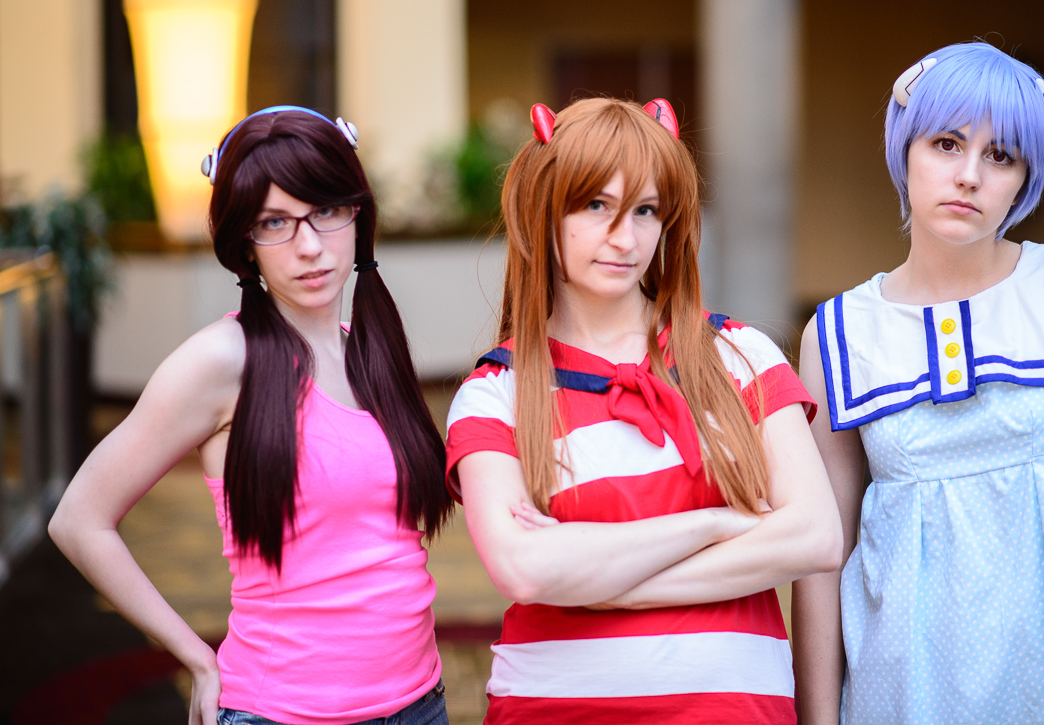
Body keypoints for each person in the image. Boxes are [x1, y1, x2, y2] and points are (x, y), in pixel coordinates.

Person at [791, 42, 1044, 725]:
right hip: (900, 698)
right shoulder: (838, 333)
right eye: (947, 143)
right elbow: (819, 554)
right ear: (905, 149)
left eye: (1001, 155)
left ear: (1025, 177)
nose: (970, 175)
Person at [444, 96, 843, 725]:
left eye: (645, 210)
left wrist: (594, 577)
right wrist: (716, 524)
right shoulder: (497, 391)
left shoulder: (739, 354)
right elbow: (524, 570)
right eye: (596, 205)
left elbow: (817, 537)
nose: (624, 238)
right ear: (545, 212)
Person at [49, 107, 455, 725]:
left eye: (325, 210)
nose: (310, 245)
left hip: (419, 703)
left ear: (357, 215)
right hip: (283, 711)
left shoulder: (368, 349)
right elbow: (79, 520)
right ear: (244, 243)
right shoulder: (222, 360)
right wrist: (196, 656)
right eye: (275, 222)